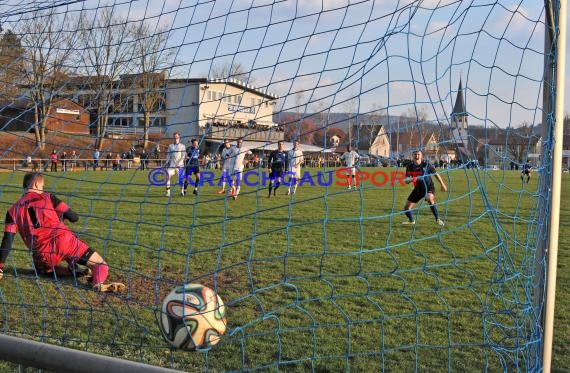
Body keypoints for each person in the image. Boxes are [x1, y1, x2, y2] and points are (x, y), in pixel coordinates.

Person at [0, 173, 125, 292]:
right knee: (100, 265)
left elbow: (8, 240)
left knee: (42, 269)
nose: (43, 189)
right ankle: (98, 283)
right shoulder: (48, 197)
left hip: (43, 254)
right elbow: (74, 217)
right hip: (65, 242)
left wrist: (0, 267)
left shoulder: (12, 210)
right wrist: (60, 216)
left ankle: (73, 271)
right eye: (42, 186)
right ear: (36, 185)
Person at [401, 150, 447, 227]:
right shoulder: (409, 166)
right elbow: (407, 180)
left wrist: (442, 184)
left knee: (429, 198)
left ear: (421, 156)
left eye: (418, 154)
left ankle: (437, 219)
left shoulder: (426, 164)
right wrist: (409, 180)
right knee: (407, 208)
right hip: (417, 189)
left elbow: (436, 174)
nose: (417, 156)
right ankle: (411, 221)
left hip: (429, 187)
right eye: (415, 154)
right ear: (412, 156)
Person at [164, 132, 186, 197]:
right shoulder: (170, 146)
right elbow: (168, 155)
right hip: (172, 165)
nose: (175, 137)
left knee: (181, 180)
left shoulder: (182, 146)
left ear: (179, 137)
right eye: (174, 136)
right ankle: (168, 192)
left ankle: (182, 192)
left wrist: (179, 163)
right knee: (167, 176)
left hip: (180, 166)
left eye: (176, 136)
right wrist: (166, 162)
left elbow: (183, 156)